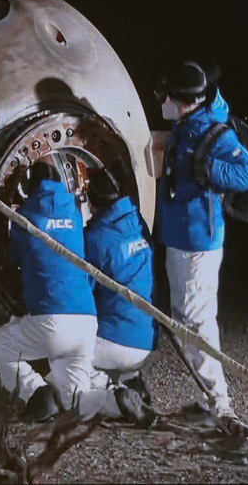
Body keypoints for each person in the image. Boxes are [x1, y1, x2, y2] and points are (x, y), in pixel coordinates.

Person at [155, 60, 248, 431]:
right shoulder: (185, 124)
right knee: (185, 321)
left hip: (198, 244)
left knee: (197, 325)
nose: (161, 100)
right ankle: (206, 399)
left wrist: (208, 171)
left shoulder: (213, 133)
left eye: (165, 95)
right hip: (178, 238)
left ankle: (221, 405)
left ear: (185, 101)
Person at [0, 157, 98, 422]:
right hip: (87, 321)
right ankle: (115, 398)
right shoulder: (74, 212)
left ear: (28, 187)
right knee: (75, 399)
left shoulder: (25, 217)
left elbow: (12, 258)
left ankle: (36, 392)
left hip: (52, 323)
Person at [83, 162, 159, 428]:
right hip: (148, 341)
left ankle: (113, 396)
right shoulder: (137, 222)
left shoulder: (96, 238)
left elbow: (82, 294)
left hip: (117, 343)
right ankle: (130, 376)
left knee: (61, 353)